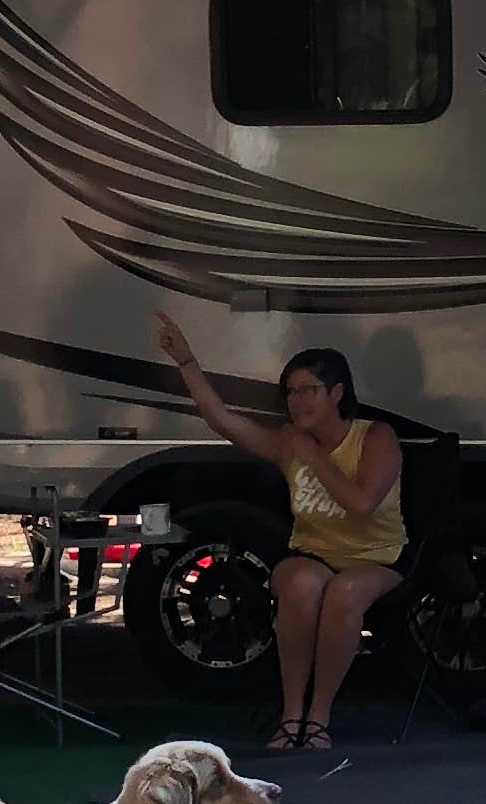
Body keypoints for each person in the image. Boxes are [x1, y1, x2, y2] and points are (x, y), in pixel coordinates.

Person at [152, 316, 404, 750]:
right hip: (312, 553)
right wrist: (187, 361)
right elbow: (224, 422)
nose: (296, 400)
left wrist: (315, 458)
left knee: (344, 593)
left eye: (309, 390)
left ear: (337, 394)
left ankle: (319, 716)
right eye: (291, 391)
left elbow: (362, 505)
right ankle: (292, 715)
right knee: (304, 585)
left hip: (375, 557)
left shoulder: (375, 437)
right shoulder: (289, 443)